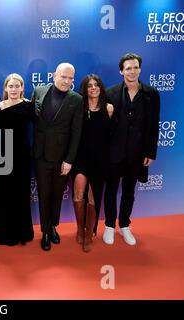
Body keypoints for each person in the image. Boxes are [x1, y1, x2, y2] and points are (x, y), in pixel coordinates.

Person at [103, 53, 160, 246]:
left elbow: (154, 125)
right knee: (110, 190)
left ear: (140, 69)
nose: (132, 71)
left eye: (135, 67)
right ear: (121, 71)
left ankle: (125, 225)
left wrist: (150, 152)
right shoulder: (110, 93)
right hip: (114, 153)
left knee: (129, 191)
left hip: (137, 154)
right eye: (128, 68)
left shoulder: (151, 94)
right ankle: (110, 225)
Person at [31, 62, 83, 251]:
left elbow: (77, 132)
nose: (67, 81)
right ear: (54, 75)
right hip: (40, 155)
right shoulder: (38, 91)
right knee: (44, 194)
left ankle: (53, 227)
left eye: (70, 78)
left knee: (57, 196)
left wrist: (69, 160)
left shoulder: (76, 99)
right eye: (63, 77)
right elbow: (31, 117)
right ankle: (44, 231)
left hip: (62, 159)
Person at [0, 73, 35, 246]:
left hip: (22, 156)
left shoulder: (29, 106)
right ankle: (4, 233)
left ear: (22, 88)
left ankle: (21, 233)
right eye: (11, 86)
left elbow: (41, 128)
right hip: (2, 155)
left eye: (17, 86)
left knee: (21, 194)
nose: (14, 89)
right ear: (6, 88)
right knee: (4, 194)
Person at [71, 75, 113, 252]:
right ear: (85, 89)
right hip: (80, 158)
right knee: (78, 193)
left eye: (96, 85)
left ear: (101, 88)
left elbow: (112, 136)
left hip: (100, 159)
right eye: (89, 86)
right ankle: (80, 229)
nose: (93, 88)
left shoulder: (108, 108)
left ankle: (89, 234)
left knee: (92, 197)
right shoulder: (78, 107)